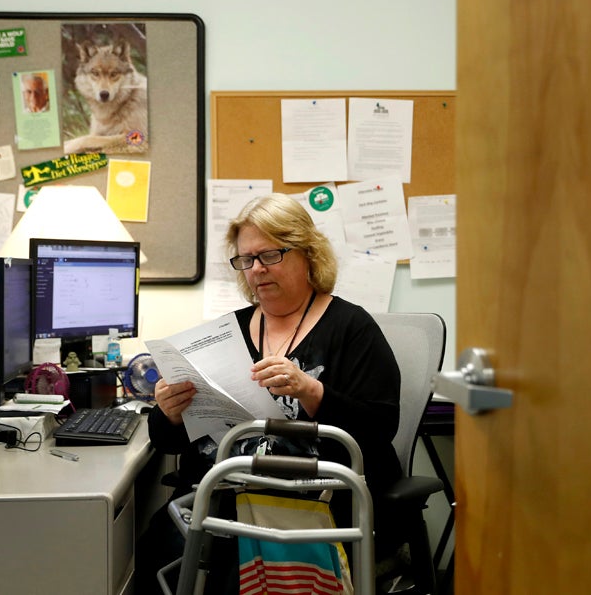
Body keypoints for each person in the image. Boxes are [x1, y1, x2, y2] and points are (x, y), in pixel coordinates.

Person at [135, 193, 402, 594]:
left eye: (269, 255)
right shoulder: (225, 333)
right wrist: (170, 412)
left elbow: (381, 427)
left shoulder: (351, 328)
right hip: (226, 489)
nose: (256, 270)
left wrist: (311, 391)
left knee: (228, 561)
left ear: (308, 253)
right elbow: (169, 438)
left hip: (317, 497)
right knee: (159, 546)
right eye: (246, 260)